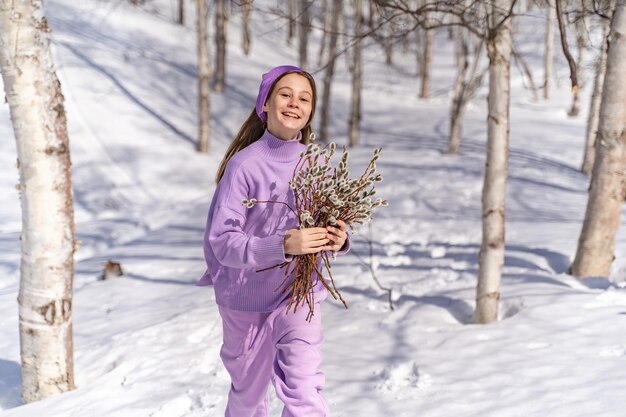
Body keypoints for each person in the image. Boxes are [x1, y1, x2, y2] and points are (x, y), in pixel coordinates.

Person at [198, 65, 350, 417]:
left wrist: (338, 238)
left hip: (299, 294)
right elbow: (223, 241)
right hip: (245, 296)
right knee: (249, 397)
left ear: (311, 110)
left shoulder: (317, 164)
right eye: (285, 94)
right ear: (264, 104)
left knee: (304, 391)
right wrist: (282, 245)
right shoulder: (244, 166)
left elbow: (328, 221)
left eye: (304, 98)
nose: (294, 103)